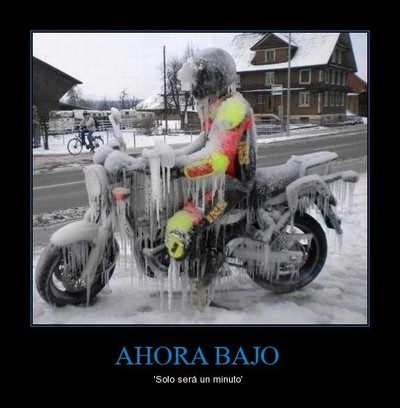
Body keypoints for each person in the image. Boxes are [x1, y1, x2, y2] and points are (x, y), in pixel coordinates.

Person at [165, 48, 257, 261]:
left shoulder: (233, 108)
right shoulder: (216, 104)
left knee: (184, 223)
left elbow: (217, 159)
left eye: (200, 77)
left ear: (213, 79)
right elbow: (204, 140)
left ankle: (205, 270)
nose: (195, 84)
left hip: (235, 181)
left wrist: (182, 169)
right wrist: (174, 158)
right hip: (221, 178)